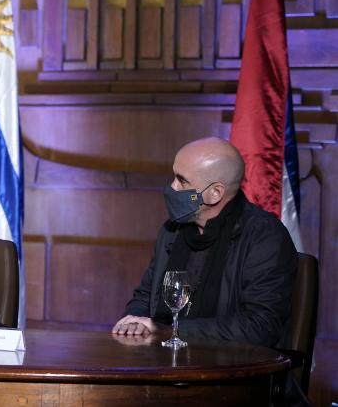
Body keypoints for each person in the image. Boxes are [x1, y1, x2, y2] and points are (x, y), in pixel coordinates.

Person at [112, 137, 298, 347]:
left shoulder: (264, 237)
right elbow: (146, 296)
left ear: (215, 193)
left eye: (182, 181)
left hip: (234, 368)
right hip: (164, 359)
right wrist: (135, 321)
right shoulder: (172, 229)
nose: (172, 187)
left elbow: (261, 327)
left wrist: (169, 330)